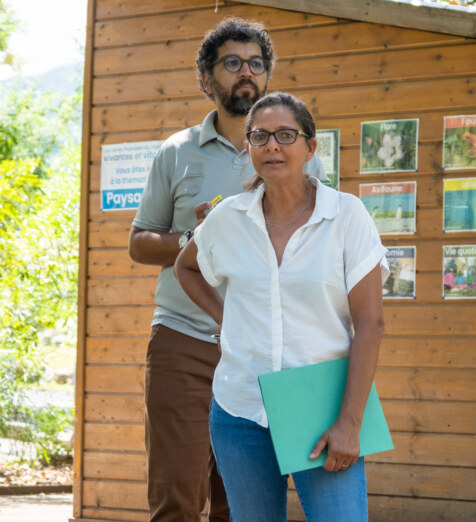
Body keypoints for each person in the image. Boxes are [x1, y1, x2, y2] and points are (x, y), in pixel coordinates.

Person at [128, 18, 323, 522]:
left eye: (256, 64)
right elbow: (140, 242)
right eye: (232, 63)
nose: (246, 73)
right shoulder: (176, 152)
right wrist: (196, 238)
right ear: (206, 78)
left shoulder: (296, 155)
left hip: (262, 346)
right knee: (176, 495)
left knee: (245, 503)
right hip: (184, 339)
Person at [174, 91, 388, 521]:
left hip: (323, 407)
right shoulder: (227, 219)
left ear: (310, 147)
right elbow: (187, 268)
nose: (272, 145)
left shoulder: (347, 216)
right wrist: (226, 321)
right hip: (240, 408)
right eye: (260, 136)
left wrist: (349, 422)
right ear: (249, 148)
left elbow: (370, 324)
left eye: (286, 135)